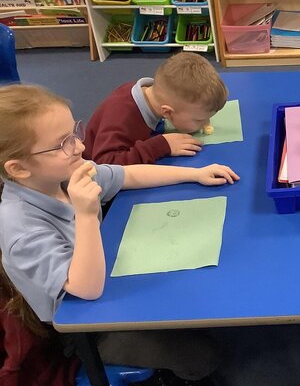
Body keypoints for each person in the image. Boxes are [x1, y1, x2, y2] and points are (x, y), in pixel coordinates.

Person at [0, 85, 240, 385]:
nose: (80, 147)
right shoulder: (22, 229)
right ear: (19, 169)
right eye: (63, 143)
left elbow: (126, 175)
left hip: (107, 276)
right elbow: (85, 289)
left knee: (197, 296)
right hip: (83, 327)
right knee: (200, 356)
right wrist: (87, 215)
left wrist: (194, 173)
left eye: (75, 132)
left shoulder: (58, 175)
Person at [83, 52, 228, 165]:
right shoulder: (121, 115)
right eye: (199, 119)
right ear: (167, 112)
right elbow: (105, 164)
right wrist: (160, 146)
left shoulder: (153, 96)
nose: (206, 123)